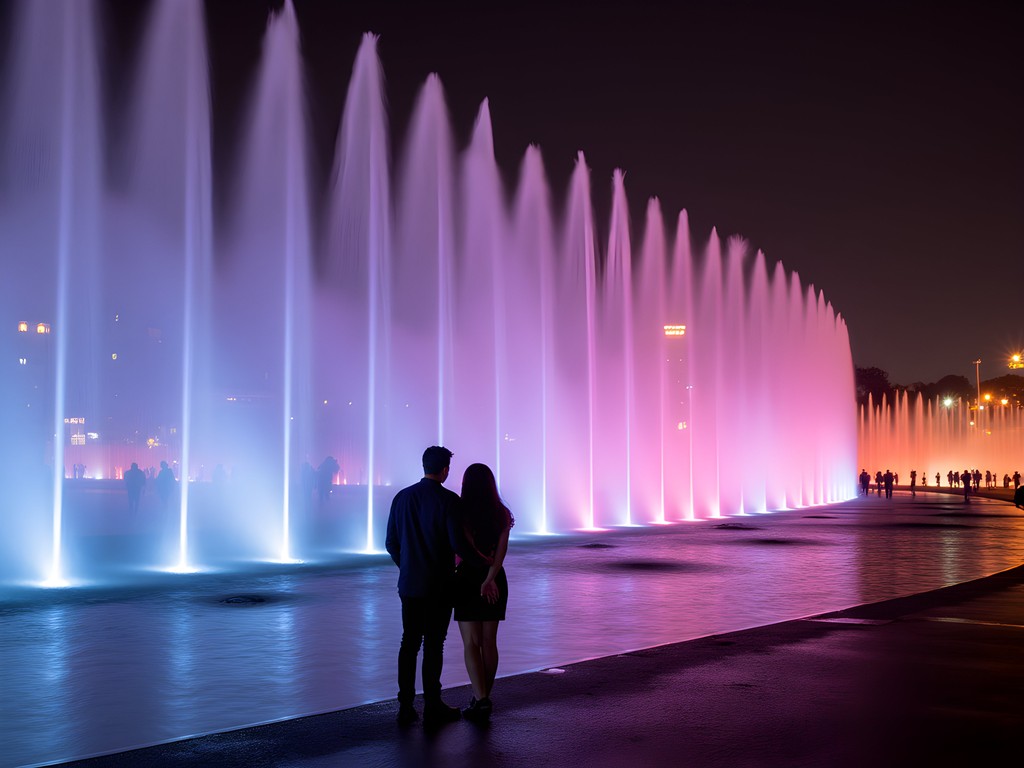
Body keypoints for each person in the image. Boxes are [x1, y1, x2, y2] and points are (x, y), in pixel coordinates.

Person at [385, 446, 487, 727]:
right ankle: (432, 704)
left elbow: (390, 543)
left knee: (409, 644)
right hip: (440, 585)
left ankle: (405, 706)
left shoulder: (402, 498)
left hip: (410, 585)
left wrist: (407, 566)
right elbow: (459, 545)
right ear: (444, 470)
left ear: (423, 466)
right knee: (434, 645)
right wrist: (484, 562)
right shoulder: (448, 500)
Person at [454, 463, 515, 722]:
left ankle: (481, 698)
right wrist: (490, 578)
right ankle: (483, 697)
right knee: (490, 642)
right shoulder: (501, 513)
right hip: (495, 578)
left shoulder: (462, 511)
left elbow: (466, 549)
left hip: (468, 576)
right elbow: (500, 554)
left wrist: (479, 570)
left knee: (471, 643)